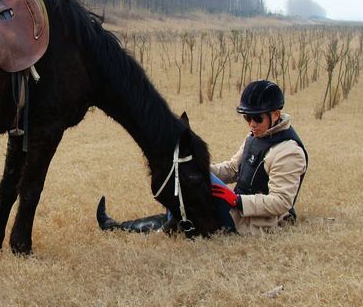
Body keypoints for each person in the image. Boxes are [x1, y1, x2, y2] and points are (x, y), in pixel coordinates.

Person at [97, 80, 308, 235]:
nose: (251, 123)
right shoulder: (255, 136)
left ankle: (139, 227)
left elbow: (281, 202)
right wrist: (200, 168)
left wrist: (236, 200)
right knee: (185, 177)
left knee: (188, 191)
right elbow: (234, 168)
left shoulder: (288, 152)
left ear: (276, 115)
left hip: (255, 220)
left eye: (257, 118)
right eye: (247, 117)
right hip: (238, 207)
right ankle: (139, 225)